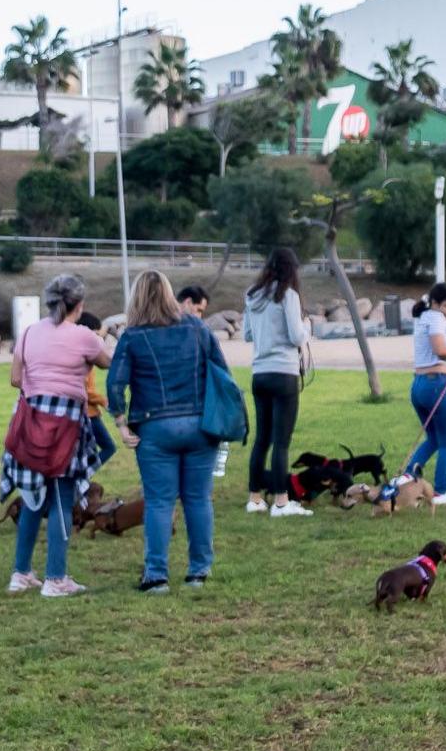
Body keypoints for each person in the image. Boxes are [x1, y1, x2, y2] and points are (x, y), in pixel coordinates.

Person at [108, 270, 226, 592]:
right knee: (199, 499)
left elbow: (115, 383)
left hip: (155, 427)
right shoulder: (198, 327)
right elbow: (221, 371)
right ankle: (199, 572)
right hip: (201, 425)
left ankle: (156, 575)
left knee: (160, 502)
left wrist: (120, 423)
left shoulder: (132, 336)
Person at [3, 275, 112, 597]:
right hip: (66, 426)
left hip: (29, 421)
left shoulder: (28, 333)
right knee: (62, 499)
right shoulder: (84, 337)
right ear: (80, 305)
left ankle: (20, 573)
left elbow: (14, 378)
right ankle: (56, 578)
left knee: (32, 499)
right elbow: (109, 364)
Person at [242, 248, 313, 517]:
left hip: (259, 373)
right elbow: (296, 336)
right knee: (281, 442)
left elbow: (247, 334)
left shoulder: (252, 295)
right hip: (284, 372)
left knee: (262, 439)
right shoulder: (288, 296)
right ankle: (281, 502)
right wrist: (307, 326)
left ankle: (255, 497)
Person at [403, 283, 446, 506]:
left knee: (434, 438)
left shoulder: (422, 318)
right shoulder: (436, 317)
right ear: (436, 302)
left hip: (418, 384)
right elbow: (440, 350)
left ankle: (407, 477)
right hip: (436, 383)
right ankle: (442, 492)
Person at [176, 285, 229, 478]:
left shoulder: (156, 326)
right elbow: (221, 369)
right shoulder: (199, 331)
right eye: (198, 310)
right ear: (187, 302)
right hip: (191, 409)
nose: (199, 316)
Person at [76, 309, 120, 466]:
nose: (97, 338)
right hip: (88, 412)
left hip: (86, 411)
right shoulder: (82, 357)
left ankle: (80, 478)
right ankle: (82, 477)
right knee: (108, 447)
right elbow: (83, 389)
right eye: (94, 334)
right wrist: (104, 400)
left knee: (84, 452)